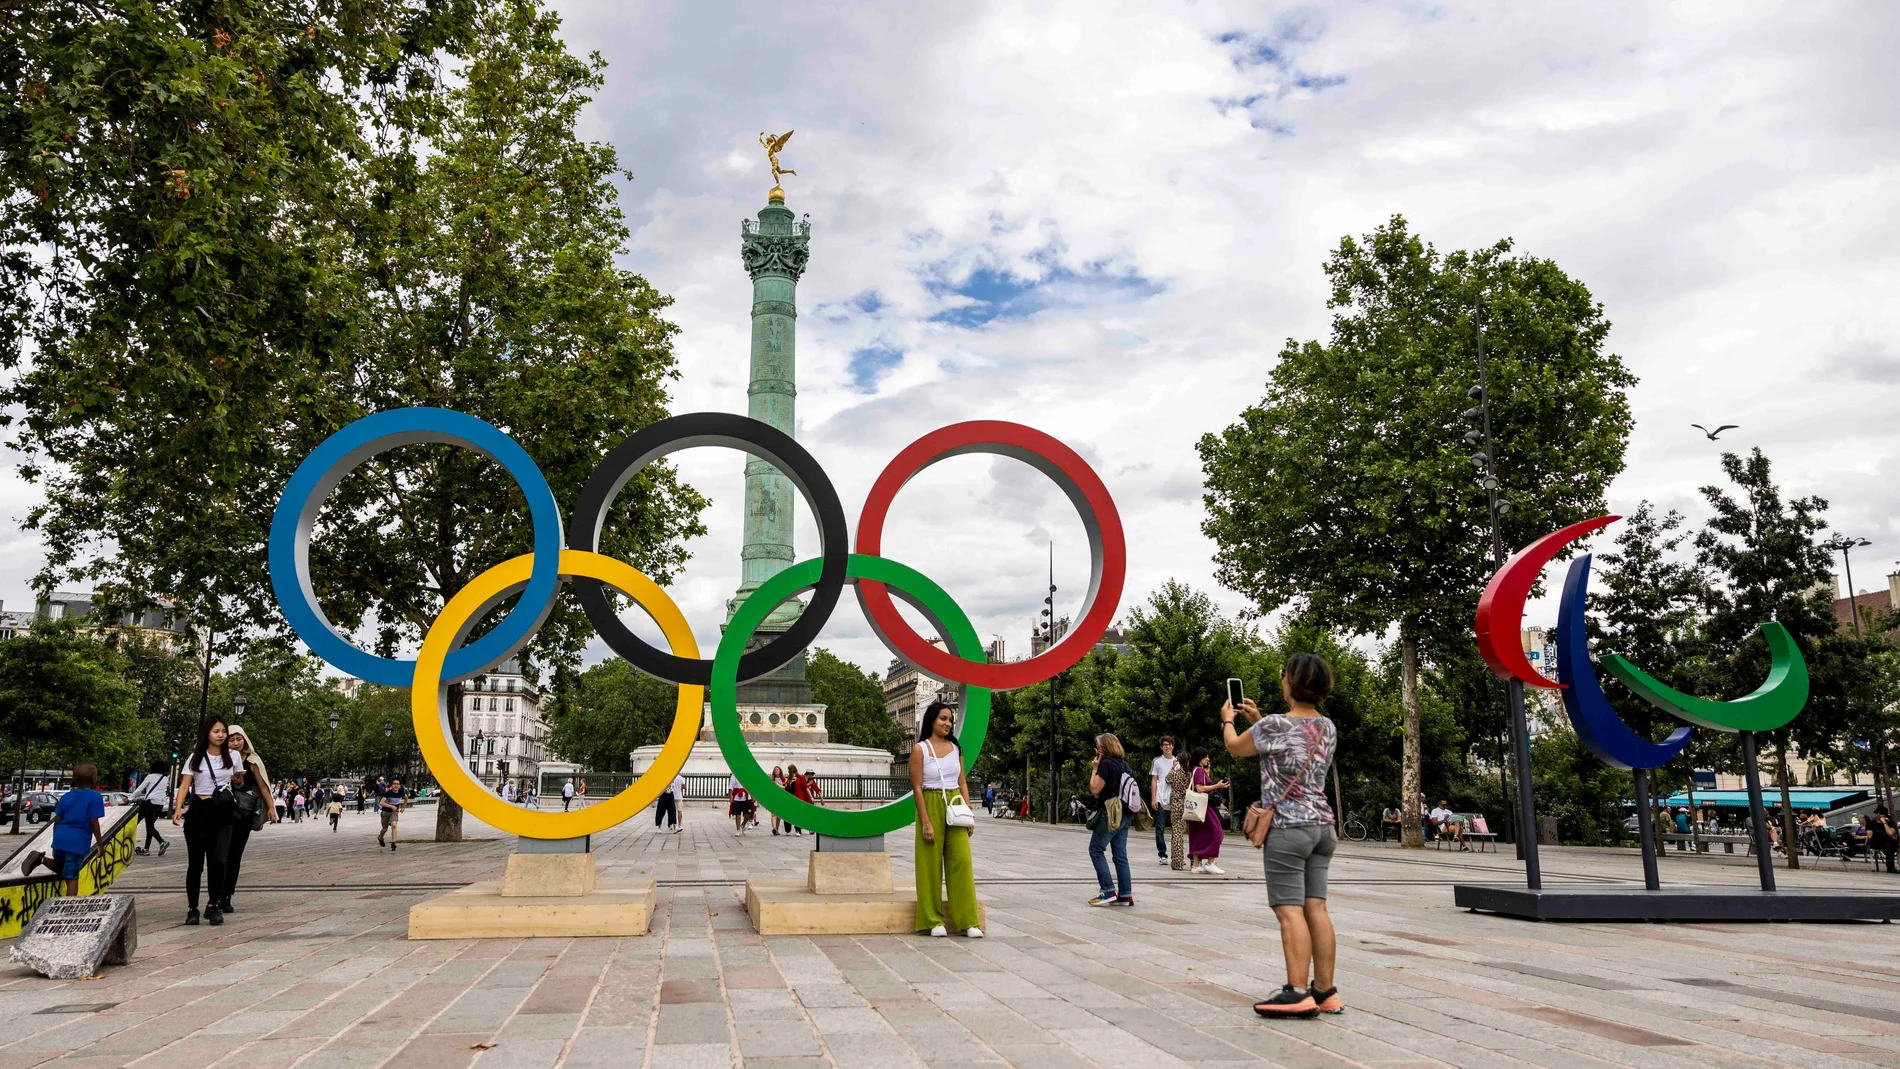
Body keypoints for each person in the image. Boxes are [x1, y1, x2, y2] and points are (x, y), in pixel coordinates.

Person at [1223, 652, 1341, 1019]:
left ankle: (1296, 992)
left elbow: (1235, 747)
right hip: (1323, 827)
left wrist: (1229, 721)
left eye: (1283, 674)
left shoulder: (1273, 725)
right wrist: (1258, 720)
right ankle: (1325, 992)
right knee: (1316, 908)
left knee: (1289, 911)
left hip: (1288, 830)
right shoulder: (1328, 726)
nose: (1281, 679)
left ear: (1293, 681)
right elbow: (1294, 749)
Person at [910, 698, 981, 937]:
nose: (948, 724)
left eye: (950, 719)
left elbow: (962, 782)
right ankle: (933, 920)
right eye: (943, 718)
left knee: (962, 861)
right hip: (930, 802)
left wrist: (968, 812)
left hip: (954, 803)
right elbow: (917, 787)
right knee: (929, 864)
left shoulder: (956, 749)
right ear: (931, 720)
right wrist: (926, 821)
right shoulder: (920, 750)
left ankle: (968, 920)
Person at [173, 717, 237, 926]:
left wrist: (238, 780)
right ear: (207, 734)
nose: (220, 735)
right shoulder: (195, 758)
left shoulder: (233, 756)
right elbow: (184, 784)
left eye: (223, 731)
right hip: (199, 810)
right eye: (216, 731)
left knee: (219, 859)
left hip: (223, 813)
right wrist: (177, 809)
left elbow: (238, 778)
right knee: (196, 864)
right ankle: (193, 908)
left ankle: (213, 904)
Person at [21, 762, 104, 897]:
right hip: (76, 843)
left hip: (60, 838)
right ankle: (69, 907)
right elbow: (94, 821)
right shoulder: (95, 797)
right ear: (94, 777)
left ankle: (40, 859)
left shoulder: (67, 796)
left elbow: (57, 820)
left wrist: (56, 838)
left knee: (61, 866)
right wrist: (100, 845)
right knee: (72, 878)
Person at [220, 725, 278, 914]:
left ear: (244, 740)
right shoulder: (219, 759)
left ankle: (227, 895)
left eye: (239, 739)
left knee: (234, 854)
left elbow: (262, 785)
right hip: (222, 810)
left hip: (242, 813)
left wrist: (271, 808)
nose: (235, 743)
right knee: (220, 856)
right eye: (231, 739)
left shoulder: (252, 760)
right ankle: (216, 894)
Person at [1086, 733, 1136, 907]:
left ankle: (1107, 890)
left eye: (1098, 747)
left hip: (1111, 812)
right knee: (1120, 855)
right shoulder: (1125, 765)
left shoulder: (1106, 765)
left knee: (1096, 849)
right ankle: (1125, 894)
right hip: (1126, 812)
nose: (1096, 750)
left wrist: (1094, 768)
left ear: (1104, 748)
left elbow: (1095, 788)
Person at [1185, 748, 1229, 874]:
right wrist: (1217, 786)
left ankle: (1196, 864)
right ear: (1200, 758)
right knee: (1217, 832)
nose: (1208, 759)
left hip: (1195, 807)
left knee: (1199, 834)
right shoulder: (1198, 770)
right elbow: (1199, 788)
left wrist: (1208, 774)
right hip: (1204, 807)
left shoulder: (1195, 770)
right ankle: (1211, 862)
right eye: (1206, 757)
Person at [130, 759, 172, 856]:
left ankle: (162, 842)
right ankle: (146, 849)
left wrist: (130, 797)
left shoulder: (150, 777)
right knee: (151, 826)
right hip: (160, 804)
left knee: (149, 826)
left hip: (151, 802)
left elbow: (140, 789)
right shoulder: (165, 778)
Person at [1150, 737, 1178, 867]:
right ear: (1161, 747)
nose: (1168, 747)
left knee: (1176, 828)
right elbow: (1154, 780)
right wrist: (1154, 798)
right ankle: (1162, 854)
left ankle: (1176, 854)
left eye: (1170, 744)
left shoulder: (1177, 762)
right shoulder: (1157, 761)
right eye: (1165, 745)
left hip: (1175, 797)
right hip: (1161, 797)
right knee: (1160, 827)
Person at [1166, 754, 1192, 871]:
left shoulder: (1176, 774)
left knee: (1176, 833)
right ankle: (1193, 860)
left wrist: (1173, 767)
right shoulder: (1190, 775)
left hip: (1176, 805)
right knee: (1191, 833)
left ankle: (1177, 862)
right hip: (1189, 806)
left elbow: (1167, 779)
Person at [377, 776, 406, 850]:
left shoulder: (401, 793)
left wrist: (403, 807)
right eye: (394, 784)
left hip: (394, 812)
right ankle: (380, 837)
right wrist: (391, 806)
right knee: (384, 829)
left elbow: (406, 797)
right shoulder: (388, 793)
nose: (396, 785)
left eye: (397, 784)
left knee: (394, 825)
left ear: (399, 785)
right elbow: (381, 803)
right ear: (391, 785)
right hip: (385, 813)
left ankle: (393, 843)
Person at [1867, 806, 1897, 873]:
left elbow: (1890, 833)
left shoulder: (1890, 823)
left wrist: (1884, 823)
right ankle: (1895, 842)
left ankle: (1890, 868)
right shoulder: (1871, 823)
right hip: (1875, 842)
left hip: (1885, 844)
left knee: (1889, 845)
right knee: (1878, 832)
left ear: (1884, 815)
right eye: (1877, 813)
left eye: (1880, 813)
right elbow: (1869, 836)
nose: (1878, 815)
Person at [770, 766, 787, 834]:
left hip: (781, 799)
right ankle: (774, 828)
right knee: (773, 814)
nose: (776, 770)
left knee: (779, 815)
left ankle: (776, 828)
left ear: (780, 770)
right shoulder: (771, 780)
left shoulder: (784, 779)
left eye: (777, 769)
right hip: (774, 798)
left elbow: (786, 788)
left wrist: (780, 786)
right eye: (775, 770)